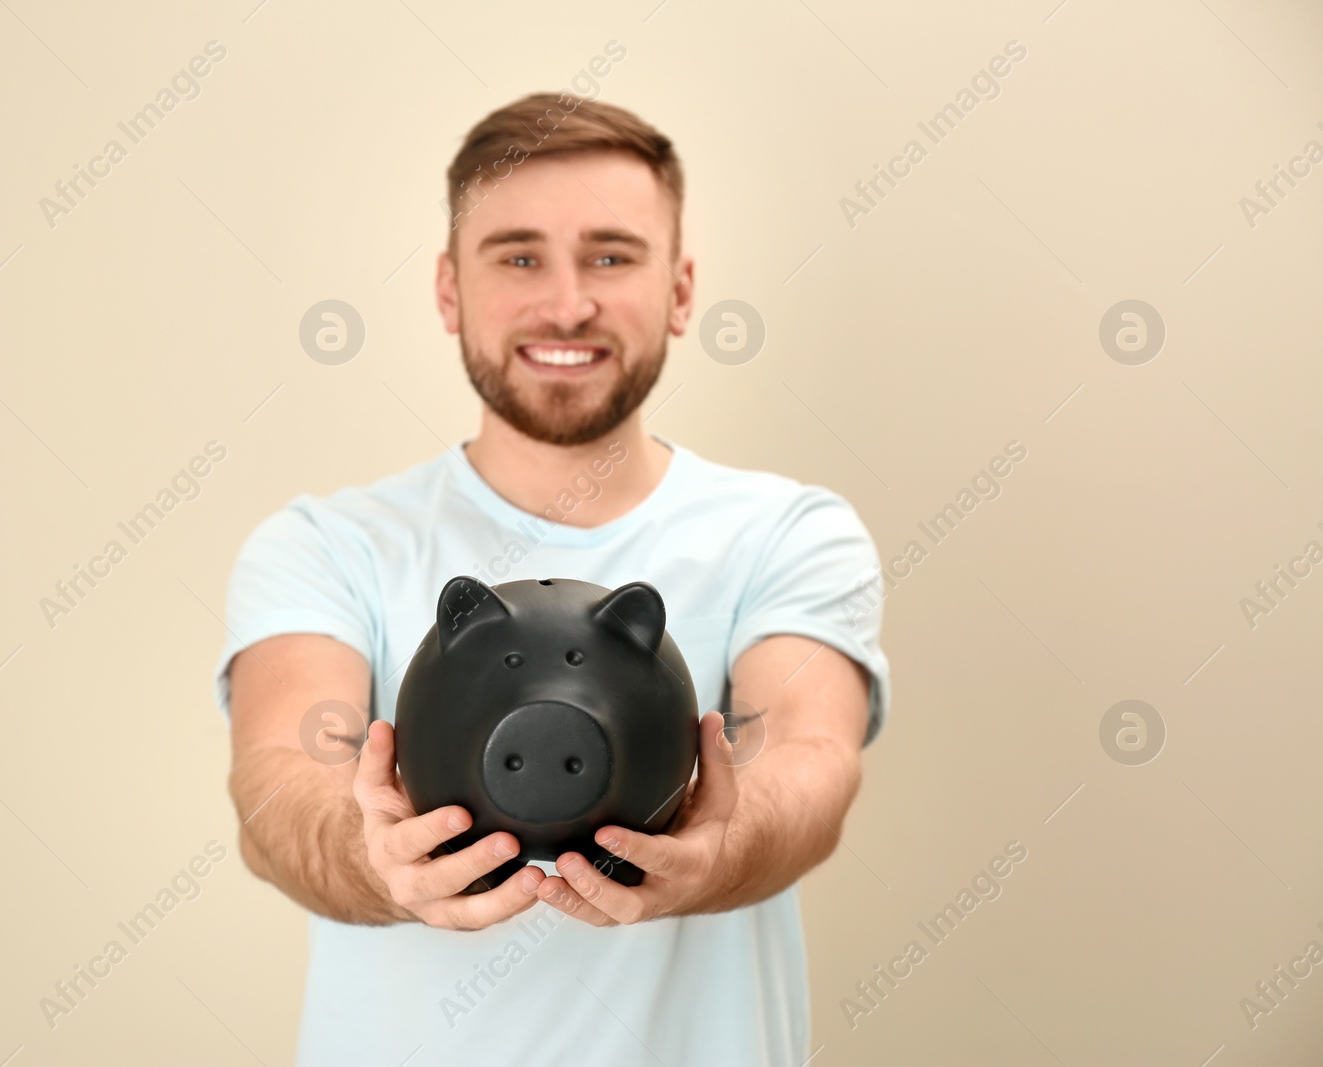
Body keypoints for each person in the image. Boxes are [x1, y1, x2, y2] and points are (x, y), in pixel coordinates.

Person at [214, 91, 891, 1066]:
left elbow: (807, 754)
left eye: (611, 256)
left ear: (681, 289)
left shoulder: (787, 531)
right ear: (449, 289)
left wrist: (718, 852)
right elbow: (280, 785)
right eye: (519, 256)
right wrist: (377, 859)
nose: (567, 302)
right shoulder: (328, 543)